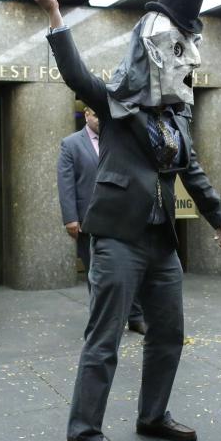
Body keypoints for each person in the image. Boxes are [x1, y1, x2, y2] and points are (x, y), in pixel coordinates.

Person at [35, 0, 221, 441]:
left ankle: (153, 414)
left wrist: (218, 216)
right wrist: (55, 16)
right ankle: (83, 435)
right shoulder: (117, 104)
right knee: (104, 340)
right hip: (118, 238)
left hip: (161, 241)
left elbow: (191, 169)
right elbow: (78, 76)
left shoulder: (179, 115)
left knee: (168, 332)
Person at [57, 105, 147, 335]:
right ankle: (102, 322)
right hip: (89, 221)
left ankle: (136, 317)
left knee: (130, 269)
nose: (99, 119)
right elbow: (66, 184)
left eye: (103, 115)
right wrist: (70, 218)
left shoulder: (118, 139)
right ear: (86, 114)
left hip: (122, 218)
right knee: (95, 274)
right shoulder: (71, 144)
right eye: (96, 115)